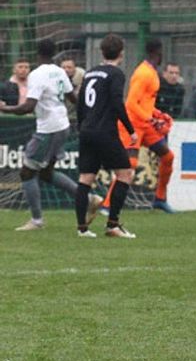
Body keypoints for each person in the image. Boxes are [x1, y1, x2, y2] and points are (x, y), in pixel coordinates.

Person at [0, 39, 101, 231]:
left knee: (27, 172)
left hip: (48, 129)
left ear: (37, 54)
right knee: (45, 173)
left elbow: (28, 106)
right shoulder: (59, 71)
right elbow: (73, 98)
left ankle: (37, 221)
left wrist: (6, 108)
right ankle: (88, 199)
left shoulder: (37, 74)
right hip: (62, 125)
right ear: (54, 54)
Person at [100, 38, 177, 214]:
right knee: (129, 165)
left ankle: (160, 199)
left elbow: (145, 102)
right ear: (159, 53)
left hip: (145, 125)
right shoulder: (143, 73)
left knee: (168, 157)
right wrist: (151, 120)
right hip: (132, 125)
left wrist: (157, 114)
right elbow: (131, 104)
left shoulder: (151, 72)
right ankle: (107, 205)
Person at [74, 33, 138, 238]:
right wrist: (131, 130)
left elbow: (81, 103)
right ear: (121, 53)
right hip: (105, 132)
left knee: (85, 178)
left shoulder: (90, 73)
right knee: (125, 174)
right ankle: (113, 224)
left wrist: (81, 126)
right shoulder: (116, 74)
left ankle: (82, 229)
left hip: (87, 130)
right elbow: (117, 102)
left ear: (101, 52)